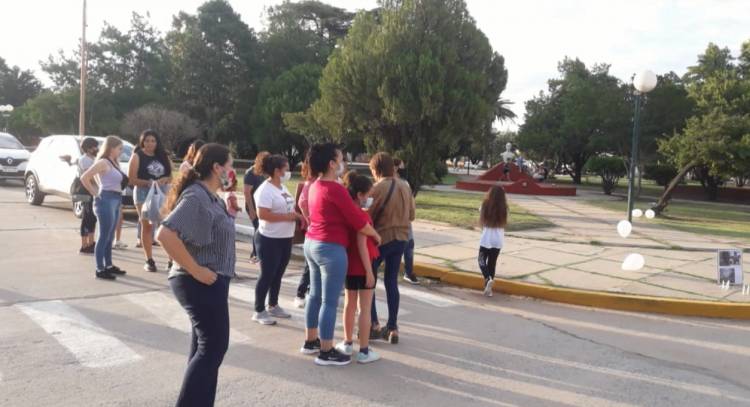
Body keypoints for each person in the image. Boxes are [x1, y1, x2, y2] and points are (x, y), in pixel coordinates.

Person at [157, 143, 236, 407]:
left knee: (204, 350)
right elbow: (165, 234)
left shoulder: (209, 195)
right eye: (229, 166)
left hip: (209, 280)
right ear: (216, 168)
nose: (232, 171)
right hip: (198, 281)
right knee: (213, 348)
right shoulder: (197, 196)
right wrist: (197, 270)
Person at [301, 143, 381, 366]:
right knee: (329, 301)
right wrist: (376, 235)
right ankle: (326, 351)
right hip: (330, 248)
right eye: (341, 159)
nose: (343, 163)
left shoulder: (315, 185)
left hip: (312, 242)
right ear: (331, 163)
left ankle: (311, 340)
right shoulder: (335, 189)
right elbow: (358, 222)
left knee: (314, 296)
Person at [368, 152, 415, 345]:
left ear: (376, 170)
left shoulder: (376, 188)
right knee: (391, 282)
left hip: (381, 239)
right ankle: (393, 327)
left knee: (368, 281)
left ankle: (373, 324)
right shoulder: (405, 186)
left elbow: (366, 216)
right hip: (401, 238)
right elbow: (412, 215)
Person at [251, 154, 303, 325]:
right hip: (269, 239)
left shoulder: (282, 187)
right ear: (276, 171)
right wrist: (287, 217)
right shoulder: (265, 190)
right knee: (267, 274)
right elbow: (263, 214)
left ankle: (273, 304)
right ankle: (258, 310)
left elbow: (288, 207)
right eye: (286, 169)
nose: (288, 172)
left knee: (278, 273)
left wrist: (297, 216)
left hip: (284, 238)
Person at [335, 171, 381, 364]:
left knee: (349, 305)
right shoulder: (362, 216)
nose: (370, 198)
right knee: (365, 308)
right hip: (364, 265)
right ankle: (363, 350)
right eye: (369, 194)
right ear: (360, 194)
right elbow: (362, 244)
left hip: (349, 265)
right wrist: (369, 271)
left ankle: (347, 342)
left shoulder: (346, 213)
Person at [80, 136, 128, 280]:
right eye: (119, 148)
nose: (120, 151)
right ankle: (100, 269)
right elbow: (85, 177)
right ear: (111, 148)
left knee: (110, 235)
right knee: (104, 236)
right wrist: (95, 193)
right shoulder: (103, 162)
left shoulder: (114, 162)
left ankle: (108, 265)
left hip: (115, 199)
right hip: (106, 199)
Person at [128, 129, 173, 273]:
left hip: (162, 193)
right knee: (146, 225)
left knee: (166, 226)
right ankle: (149, 260)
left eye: (153, 141)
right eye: (147, 140)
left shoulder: (163, 156)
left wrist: (165, 179)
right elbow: (131, 179)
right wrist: (148, 183)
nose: (150, 143)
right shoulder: (137, 156)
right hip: (143, 193)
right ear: (142, 141)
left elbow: (172, 176)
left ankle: (172, 259)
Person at [63, 137, 99, 254]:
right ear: (88, 148)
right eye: (94, 147)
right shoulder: (85, 160)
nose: (96, 149)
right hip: (86, 192)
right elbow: (90, 177)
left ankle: (91, 242)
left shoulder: (91, 158)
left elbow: (73, 163)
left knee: (92, 218)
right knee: (87, 218)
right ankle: (84, 245)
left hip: (91, 191)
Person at [478, 186, 508, 297]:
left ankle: (487, 278)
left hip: (487, 238)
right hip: (498, 239)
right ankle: (489, 290)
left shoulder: (485, 205)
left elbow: (482, 220)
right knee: (492, 263)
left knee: (481, 260)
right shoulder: (504, 208)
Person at [293, 158, 315, 308]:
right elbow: (302, 203)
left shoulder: (312, 184)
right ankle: (301, 293)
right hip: (312, 232)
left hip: (312, 231)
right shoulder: (310, 185)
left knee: (311, 267)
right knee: (309, 267)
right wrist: (309, 220)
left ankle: (307, 291)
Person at [394, 158, 419, 285]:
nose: (404, 170)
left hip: (405, 220)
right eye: (401, 167)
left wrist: (411, 215)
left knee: (409, 245)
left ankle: (409, 272)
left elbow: (411, 202)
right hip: (394, 221)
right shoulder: (389, 183)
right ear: (395, 168)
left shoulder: (405, 183)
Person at [243, 151, 268, 263]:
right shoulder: (250, 173)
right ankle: (255, 254)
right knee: (258, 228)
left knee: (260, 229)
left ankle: (257, 253)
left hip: (261, 206)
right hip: (252, 205)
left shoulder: (263, 173)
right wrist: (252, 210)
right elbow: (247, 192)